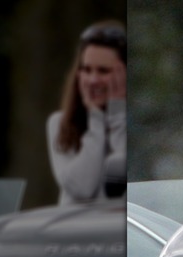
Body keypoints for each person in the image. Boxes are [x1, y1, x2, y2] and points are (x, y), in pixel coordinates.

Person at [47, 19, 127, 205]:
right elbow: (82, 188)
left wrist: (117, 115)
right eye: (86, 69)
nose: (93, 80)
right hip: (78, 231)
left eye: (103, 71)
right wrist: (96, 120)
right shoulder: (59, 123)